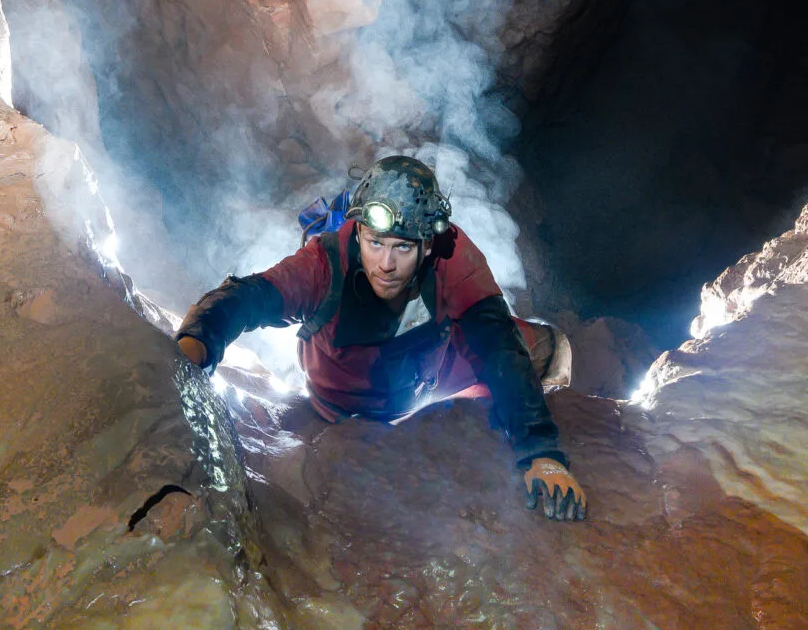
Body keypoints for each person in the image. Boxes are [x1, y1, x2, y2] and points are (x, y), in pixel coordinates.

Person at [175, 155, 588, 521]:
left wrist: (541, 453)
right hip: (342, 398)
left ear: (427, 246)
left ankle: (490, 414)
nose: (386, 264)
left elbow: (497, 340)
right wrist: (192, 349)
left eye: (403, 248)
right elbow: (247, 298)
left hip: (426, 376)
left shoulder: (452, 253)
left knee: (548, 348)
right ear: (358, 234)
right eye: (375, 243)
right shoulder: (325, 261)